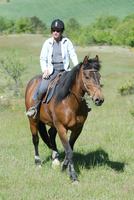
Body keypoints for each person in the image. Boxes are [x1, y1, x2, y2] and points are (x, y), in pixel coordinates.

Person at [26, 19, 79, 118]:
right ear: (51, 31)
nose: (55, 32)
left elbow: (73, 55)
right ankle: (34, 108)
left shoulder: (67, 42)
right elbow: (42, 58)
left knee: (77, 85)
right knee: (43, 88)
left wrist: (76, 69)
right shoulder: (47, 43)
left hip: (65, 70)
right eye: (54, 30)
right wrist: (45, 70)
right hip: (52, 70)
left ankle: (84, 105)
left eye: (58, 30)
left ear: (61, 31)